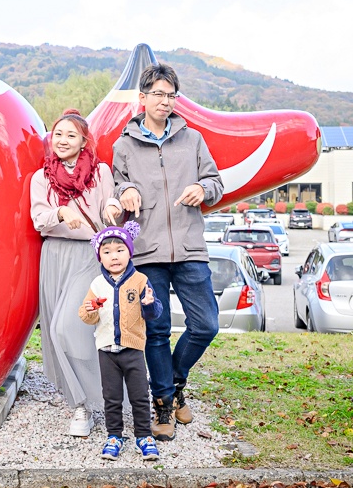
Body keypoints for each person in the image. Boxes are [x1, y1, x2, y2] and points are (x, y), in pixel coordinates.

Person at [111, 62, 224, 441]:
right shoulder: (124, 145)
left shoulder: (192, 140)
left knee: (206, 325)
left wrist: (203, 189)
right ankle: (163, 404)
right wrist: (125, 191)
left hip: (190, 248)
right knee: (157, 330)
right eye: (158, 94)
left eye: (171, 95)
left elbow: (215, 182)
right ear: (142, 98)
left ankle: (173, 384)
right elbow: (116, 186)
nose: (165, 101)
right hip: (148, 251)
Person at [30, 108, 122, 436]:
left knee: (67, 328)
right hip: (54, 257)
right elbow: (38, 219)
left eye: (71, 135)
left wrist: (113, 207)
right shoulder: (41, 177)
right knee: (58, 334)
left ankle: (101, 397)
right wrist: (60, 212)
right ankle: (81, 406)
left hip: (88, 255)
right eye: (58, 134)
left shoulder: (100, 172)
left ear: (84, 141)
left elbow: (108, 205)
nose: (63, 140)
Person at [79, 221, 163, 461]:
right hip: (106, 351)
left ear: (129, 252)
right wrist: (90, 310)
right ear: (100, 257)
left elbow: (154, 312)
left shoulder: (140, 280)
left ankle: (143, 436)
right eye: (106, 252)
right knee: (111, 396)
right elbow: (86, 315)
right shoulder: (97, 284)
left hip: (133, 349)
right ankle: (114, 436)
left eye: (119, 250)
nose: (114, 256)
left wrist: (149, 304)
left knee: (139, 395)